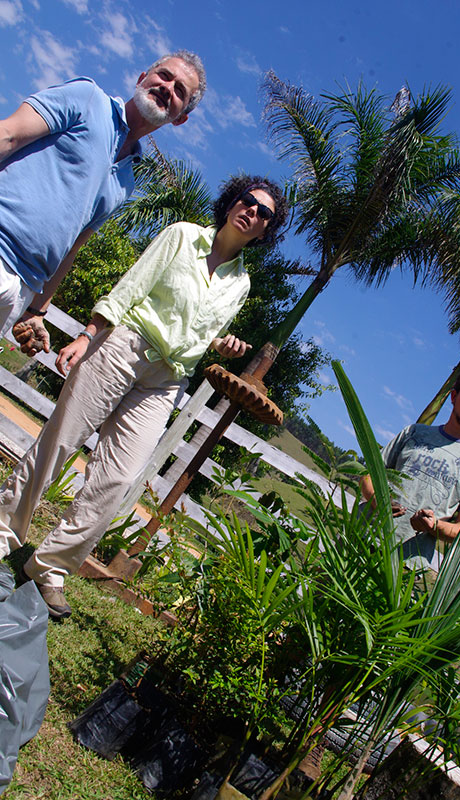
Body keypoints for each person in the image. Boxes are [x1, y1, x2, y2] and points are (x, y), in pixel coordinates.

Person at [0, 174, 289, 619]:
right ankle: (4, 531)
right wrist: (87, 336)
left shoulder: (241, 284)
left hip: (167, 380)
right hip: (123, 348)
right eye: (248, 201)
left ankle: (51, 566)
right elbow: (132, 287)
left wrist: (221, 342)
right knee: (60, 442)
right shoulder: (182, 236)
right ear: (233, 202)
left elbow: (200, 325)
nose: (252, 210)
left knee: (118, 478)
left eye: (263, 212)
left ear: (266, 230)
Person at [0, 50, 206, 354]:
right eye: (164, 75)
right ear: (142, 79)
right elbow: (8, 135)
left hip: (21, 289)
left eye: (179, 91)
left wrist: (37, 310)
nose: (167, 87)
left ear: (180, 118)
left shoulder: (127, 183)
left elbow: (73, 246)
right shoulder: (87, 98)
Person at [360, 364, 460, 569]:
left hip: (404, 564)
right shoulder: (414, 433)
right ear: (454, 396)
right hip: (361, 536)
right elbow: (368, 476)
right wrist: (377, 501)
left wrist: (434, 526)